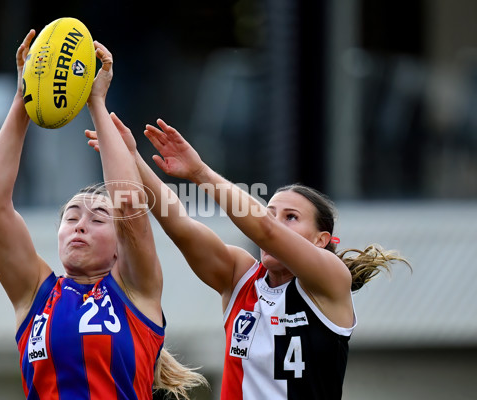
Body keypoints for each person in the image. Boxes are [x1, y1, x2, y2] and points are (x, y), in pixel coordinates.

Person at [85, 115, 410, 399]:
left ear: (320, 240)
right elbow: (180, 224)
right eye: (272, 212)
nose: (275, 224)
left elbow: (265, 230)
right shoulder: (240, 275)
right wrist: (132, 158)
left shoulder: (329, 280)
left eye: (291, 217)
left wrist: (200, 173)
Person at [0, 30, 206, 400]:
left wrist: (96, 103)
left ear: (120, 249)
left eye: (98, 219)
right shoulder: (36, 294)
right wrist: (24, 97)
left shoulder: (136, 291)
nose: (80, 225)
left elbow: (129, 204)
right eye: (71, 217)